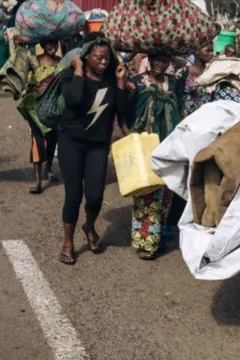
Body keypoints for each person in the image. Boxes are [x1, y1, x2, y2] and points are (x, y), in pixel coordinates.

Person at [57, 35, 130, 265]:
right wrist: (78, 70)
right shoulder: (70, 76)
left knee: (96, 195)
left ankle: (88, 226)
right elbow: (74, 99)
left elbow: (123, 111)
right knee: (73, 195)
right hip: (71, 142)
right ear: (86, 56)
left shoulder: (110, 79)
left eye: (107, 57)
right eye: (98, 57)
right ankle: (68, 243)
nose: (104, 62)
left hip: (98, 145)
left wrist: (120, 82)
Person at [127, 54, 185, 260]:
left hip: (169, 145)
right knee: (147, 192)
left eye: (165, 60)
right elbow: (128, 112)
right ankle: (146, 242)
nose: (161, 64)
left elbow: (180, 108)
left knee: (167, 193)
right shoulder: (136, 83)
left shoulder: (174, 83)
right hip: (146, 145)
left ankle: (157, 237)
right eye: (157, 59)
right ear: (150, 60)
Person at [16, 39, 63, 194]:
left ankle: (48, 169)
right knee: (37, 141)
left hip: (53, 108)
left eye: (55, 44)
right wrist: (21, 46)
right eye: (49, 44)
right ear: (42, 45)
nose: (53, 47)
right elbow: (19, 68)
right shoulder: (34, 60)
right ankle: (37, 182)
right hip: (35, 107)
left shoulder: (60, 63)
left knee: (51, 140)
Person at [177, 45, 213, 117]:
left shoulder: (211, 71)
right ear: (197, 51)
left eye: (212, 51)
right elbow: (178, 94)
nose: (212, 54)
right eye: (207, 51)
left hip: (206, 115)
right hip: (187, 115)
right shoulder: (184, 71)